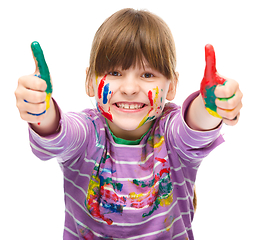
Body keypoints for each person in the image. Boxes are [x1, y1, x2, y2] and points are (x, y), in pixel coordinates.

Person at [15, 8, 243, 240]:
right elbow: (59, 134)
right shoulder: (86, 133)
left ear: (172, 86)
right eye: (114, 73)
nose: (130, 88)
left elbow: (194, 127)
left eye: (147, 75)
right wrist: (41, 112)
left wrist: (210, 106)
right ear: (90, 82)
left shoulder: (170, 134)